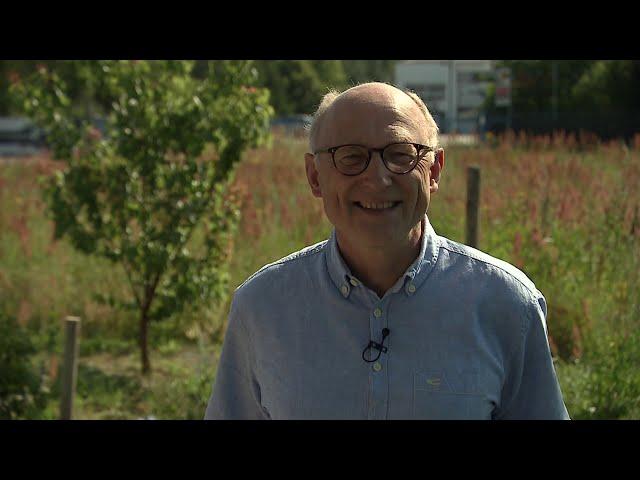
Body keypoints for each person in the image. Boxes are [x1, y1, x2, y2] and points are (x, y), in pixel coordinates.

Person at [204, 82, 570, 420]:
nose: (378, 178)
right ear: (315, 176)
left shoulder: (506, 305)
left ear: (434, 171)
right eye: (350, 157)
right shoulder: (263, 307)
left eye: (400, 155)